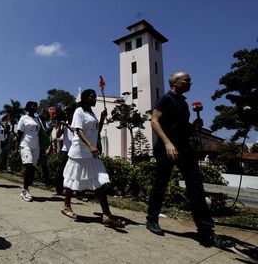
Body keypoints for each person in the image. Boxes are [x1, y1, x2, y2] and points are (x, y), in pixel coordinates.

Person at [146, 71, 234, 248]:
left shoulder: (183, 103)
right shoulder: (166, 99)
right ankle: (151, 219)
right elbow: (154, 121)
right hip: (166, 148)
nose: (190, 83)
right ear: (175, 82)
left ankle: (206, 231)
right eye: (187, 80)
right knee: (160, 185)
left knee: (195, 187)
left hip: (185, 149)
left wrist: (194, 126)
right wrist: (168, 143)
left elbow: (181, 126)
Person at [60, 89, 125, 228]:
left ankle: (107, 215)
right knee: (73, 179)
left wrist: (101, 118)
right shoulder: (79, 111)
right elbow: (78, 130)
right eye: (92, 97)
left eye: (95, 97)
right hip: (79, 151)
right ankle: (66, 206)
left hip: (91, 153)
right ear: (84, 99)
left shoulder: (92, 114)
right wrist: (90, 145)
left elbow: (97, 131)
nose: (95, 99)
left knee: (99, 181)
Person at [15, 101, 40, 202]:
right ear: (28, 107)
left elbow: (39, 133)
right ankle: (25, 190)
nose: (34, 107)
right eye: (32, 106)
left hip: (36, 146)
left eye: (36, 106)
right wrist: (16, 148)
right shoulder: (23, 118)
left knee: (32, 168)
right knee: (28, 165)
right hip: (25, 144)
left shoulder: (38, 119)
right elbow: (19, 133)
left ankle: (26, 187)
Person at [54, 105, 76, 195]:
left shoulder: (76, 122)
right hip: (65, 149)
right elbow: (58, 135)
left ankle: (74, 190)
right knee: (61, 170)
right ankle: (59, 190)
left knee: (74, 171)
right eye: (66, 113)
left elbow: (75, 132)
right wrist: (60, 125)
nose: (66, 115)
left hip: (74, 150)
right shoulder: (64, 124)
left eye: (68, 113)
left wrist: (66, 125)